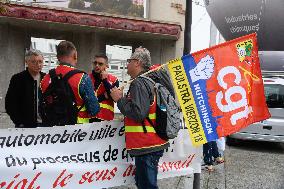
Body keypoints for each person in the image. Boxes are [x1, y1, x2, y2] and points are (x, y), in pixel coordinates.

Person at [110, 47, 169, 189]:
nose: (127, 64)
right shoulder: (146, 81)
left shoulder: (139, 83)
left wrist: (119, 100)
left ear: (137, 63)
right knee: (144, 183)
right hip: (150, 144)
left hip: (147, 145)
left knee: (147, 186)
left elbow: (138, 113)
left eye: (129, 61)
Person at [40, 41, 100, 124]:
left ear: (57, 57)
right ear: (75, 55)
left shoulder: (45, 79)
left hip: (52, 131)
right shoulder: (82, 78)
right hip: (77, 131)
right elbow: (94, 110)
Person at [5, 49, 45, 128]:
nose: (38, 64)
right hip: (24, 125)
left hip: (45, 125)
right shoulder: (17, 79)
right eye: (34, 62)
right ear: (26, 62)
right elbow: (10, 103)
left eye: (40, 61)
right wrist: (19, 122)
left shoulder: (47, 78)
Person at [89, 54, 119, 122]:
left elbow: (114, 98)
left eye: (100, 64)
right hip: (89, 118)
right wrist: (104, 96)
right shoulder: (86, 78)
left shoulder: (114, 79)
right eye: (95, 63)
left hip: (105, 120)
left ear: (106, 66)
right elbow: (85, 99)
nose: (97, 65)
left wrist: (105, 80)